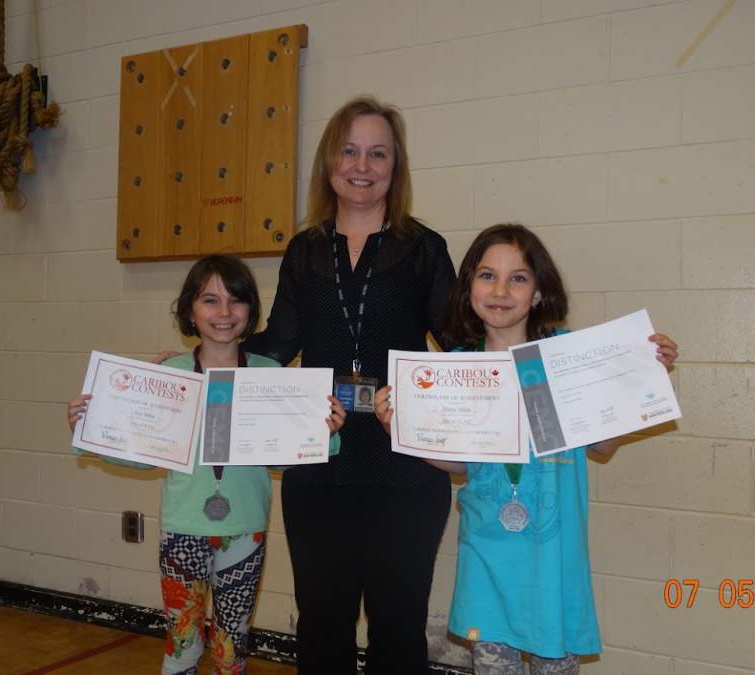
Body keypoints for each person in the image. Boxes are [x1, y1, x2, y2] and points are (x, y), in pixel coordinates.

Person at [373, 224, 679, 675]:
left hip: (552, 561)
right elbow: (459, 465)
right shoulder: (454, 369)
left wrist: (643, 380)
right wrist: (400, 427)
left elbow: (604, 444)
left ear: (538, 292)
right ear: (468, 289)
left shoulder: (567, 355)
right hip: (486, 555)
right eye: (486, 275)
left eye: (518, 278)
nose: (500, 290)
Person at [241, 95, 456, 674]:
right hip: (320, 466)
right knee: (322, 623)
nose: (362, 166)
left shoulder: (423, 248)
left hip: (405, 469)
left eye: (378, 154)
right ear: (329, 161)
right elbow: (275, 345)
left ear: (395, 167)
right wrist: (192, 367)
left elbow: (463, 345)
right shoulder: (304, 250)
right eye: (350, 150)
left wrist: (557, 354)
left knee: (398, 624)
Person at [67, 255, 346, 675]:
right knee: (182, 643)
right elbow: (144, 457)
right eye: (210, 301)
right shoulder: (169, 373)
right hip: (182, 530)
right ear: (190, 311)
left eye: (236, 301)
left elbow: (289, 461)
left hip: (245, 529)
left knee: (231, 646)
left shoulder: (272, 374)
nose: (224, 313)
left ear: (250, 310)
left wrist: (327, 433)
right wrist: (91, 430)